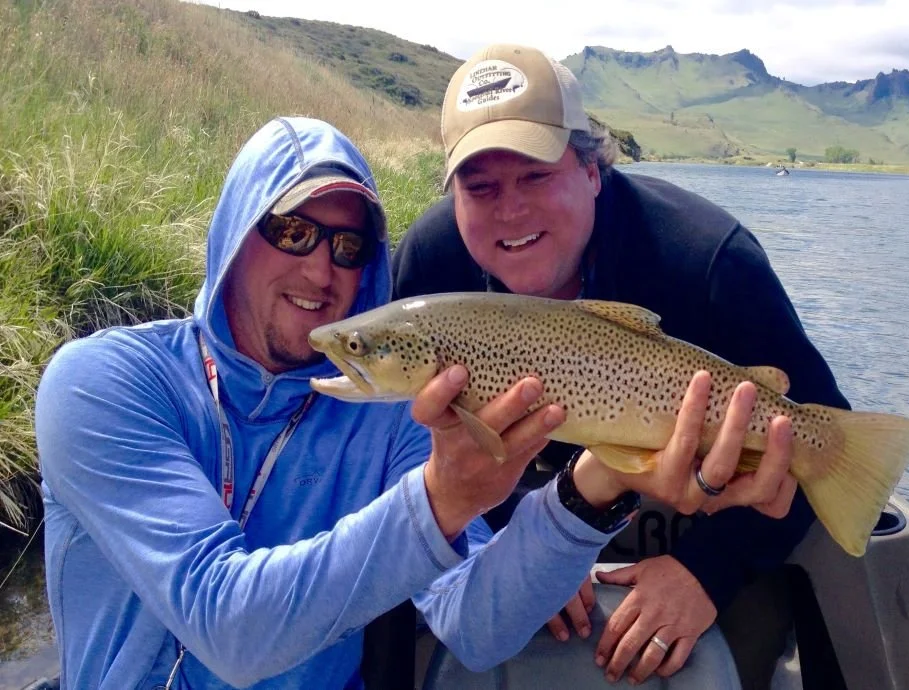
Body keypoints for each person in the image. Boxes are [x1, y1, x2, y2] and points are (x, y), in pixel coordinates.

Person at [35, 115, 794, 689]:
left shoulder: (391, 415)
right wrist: (439, 500)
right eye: (292, 229)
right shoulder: (104, 384)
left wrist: (596, 484)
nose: (321, 269)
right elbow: (228, 628)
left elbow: (475, 625)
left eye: (350, 246)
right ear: (233, 232)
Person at [391, 43, 851, 687]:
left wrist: (704, 574)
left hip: (702, 540)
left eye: (535, 175)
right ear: (455, 195)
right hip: (522, 535)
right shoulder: (431, 274)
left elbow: (825, 446)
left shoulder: (708, 260)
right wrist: (524, 558)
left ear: (592, 169)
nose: (511, 209)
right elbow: (418, 458)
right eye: (481, 187)